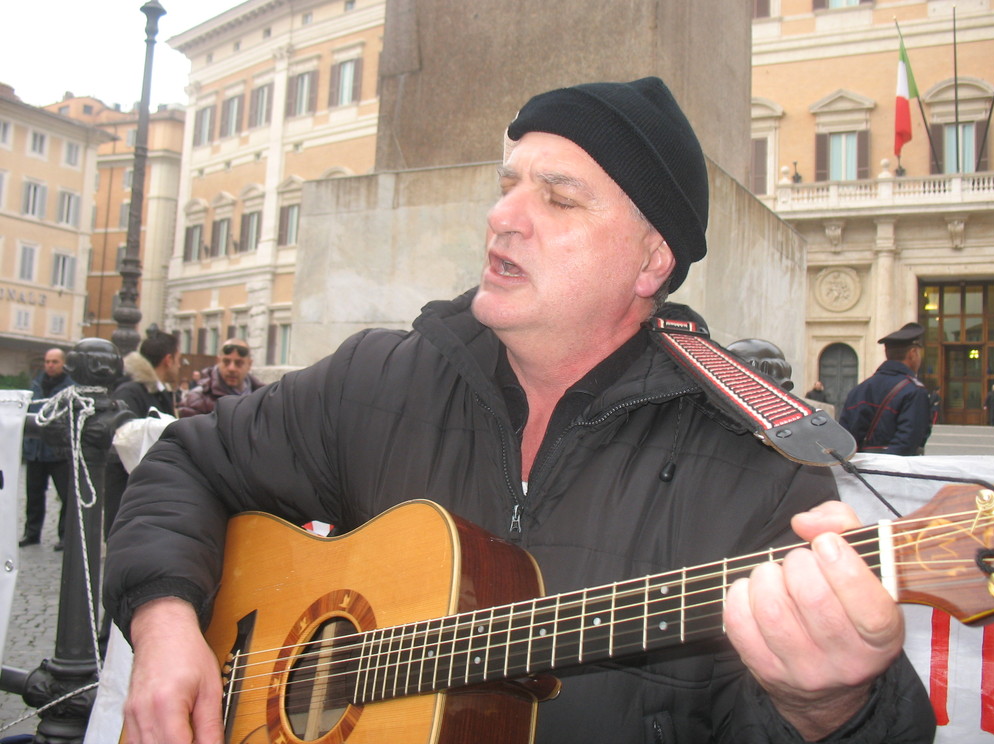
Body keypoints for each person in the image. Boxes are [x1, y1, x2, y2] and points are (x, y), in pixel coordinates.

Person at [104, 78, 933, 743]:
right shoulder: (378, 377)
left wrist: (827, 712)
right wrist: (165, 620)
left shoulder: (757, 465)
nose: (503, 217)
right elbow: (186, 463)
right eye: (508, 187)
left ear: (651, 260)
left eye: (558, 198)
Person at [105, 330, 181, 539]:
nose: (179, 365)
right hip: (128, 493)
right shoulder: (130, 391)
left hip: (144, 493)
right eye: (178, 360)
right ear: (168, 360)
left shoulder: (157, 391)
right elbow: (124, 440)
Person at [838, 323, 931, 456]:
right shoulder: (914, 391)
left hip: (859, 471)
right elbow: (907, 444)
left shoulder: (859, 390)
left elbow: (844, 440)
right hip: (892, 472)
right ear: (913, 353)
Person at [21, 348, 74, 551]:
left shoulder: (70, 387)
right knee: (33, 494)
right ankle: (31, 533)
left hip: (59, 452)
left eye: (54, 362)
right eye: (47, 361)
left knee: (66, 496)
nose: (50, 365)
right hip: (35, 449)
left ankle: (64, 535)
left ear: (63, 364)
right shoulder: (36, 383)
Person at [178, 339, 263, 418]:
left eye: (239, 363)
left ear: (249, 364)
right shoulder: (197, 400)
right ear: (218, 361)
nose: (231, 368)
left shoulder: (263, 399)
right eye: (226, 362)